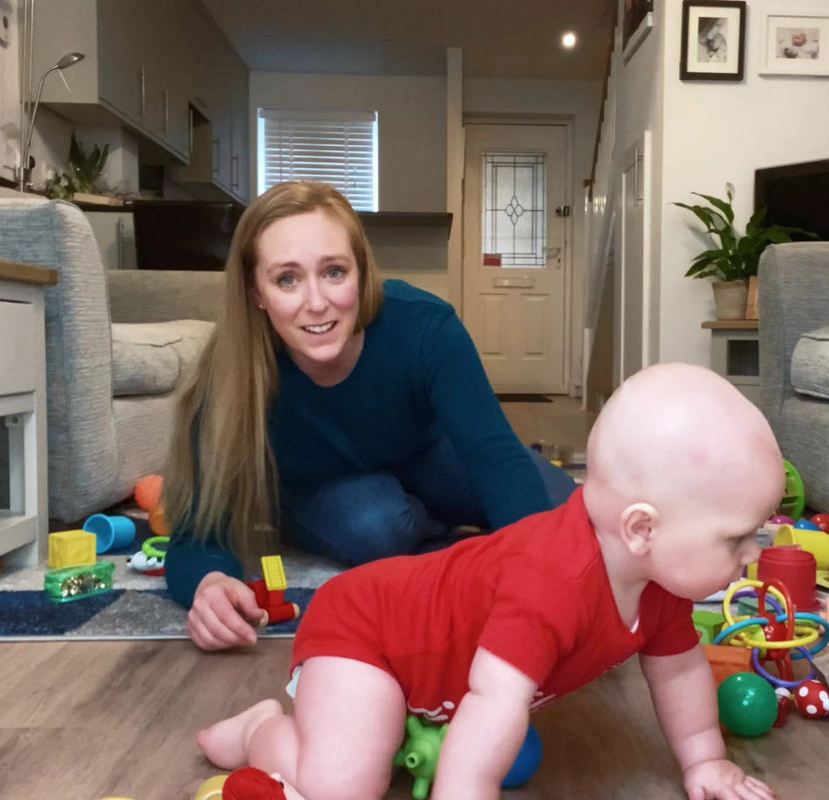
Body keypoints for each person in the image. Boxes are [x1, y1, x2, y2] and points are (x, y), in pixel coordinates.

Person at [196, 363, 785, 800]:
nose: (753, 555)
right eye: (737, 538)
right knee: (344, 787)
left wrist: (705, 760)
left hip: (428, 671)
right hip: (366, 633)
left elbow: (679, 668)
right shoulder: (552, 581)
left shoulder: (660, 581)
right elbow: (493, 702)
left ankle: (385, 722)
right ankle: (263, 729)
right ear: (641, 529)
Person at [162, 181, 575, 651]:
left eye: (334, 272)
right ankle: (449, 544)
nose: (316, 303)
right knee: (378, 526)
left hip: (425, 456)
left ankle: (444, 539)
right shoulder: (231, 371)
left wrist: (543, 575)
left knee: (566, 513)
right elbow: (197, 529)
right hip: (326, 490)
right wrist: (209, 584)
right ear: (255, 291)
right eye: (287, 279)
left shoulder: (424, 326)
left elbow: (496, 459)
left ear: (361, 271)